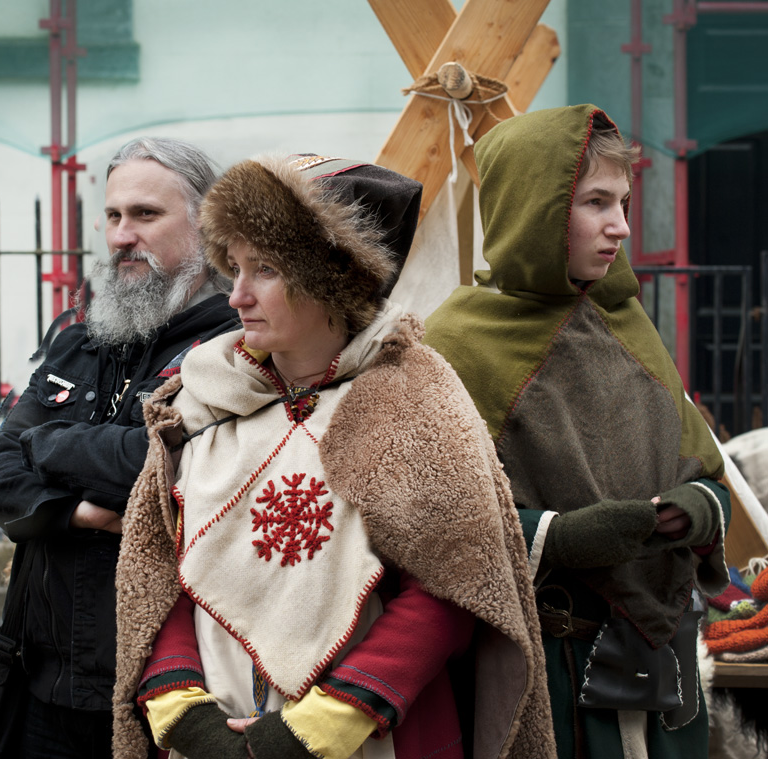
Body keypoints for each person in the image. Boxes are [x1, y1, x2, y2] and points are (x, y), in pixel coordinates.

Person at [111, 154, 556, 759]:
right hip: (211, 728)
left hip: (369, 733)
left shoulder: (413, 397)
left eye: (265, 269)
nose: (237, 295)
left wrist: (324, 723)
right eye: (235, 267)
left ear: (332, 279)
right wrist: (181, 708)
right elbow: (157, 569)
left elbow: (455, 581)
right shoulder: (202, 398)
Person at [423, 104, 731, 758]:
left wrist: (698, 509)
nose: (621, 226)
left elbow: (704, 470)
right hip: (553, 676)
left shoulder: (628, 323)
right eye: (595, 202)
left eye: (623, 201)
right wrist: (558, 537)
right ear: (533, 208)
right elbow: (432, 523)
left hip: (664, 669)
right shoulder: (455, 343)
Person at [0, 137, 240, 758]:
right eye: (114, 215)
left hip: (167, 687)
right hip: (42, 678)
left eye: (145, 214)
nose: (121, 235)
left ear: (205, 225)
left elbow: (158, 468)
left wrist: (43, 442)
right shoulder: (79, 344)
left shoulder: (232, 346)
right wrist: (75, 513)